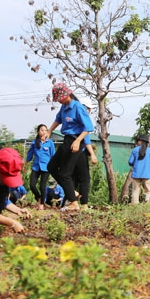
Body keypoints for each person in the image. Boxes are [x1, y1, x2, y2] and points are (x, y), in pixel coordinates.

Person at [47, 83, 94, 212]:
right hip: (67, 140)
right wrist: (50, 130)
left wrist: (78, 141)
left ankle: (73, 202)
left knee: (65, 173)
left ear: (66, 95)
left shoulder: (78, 107)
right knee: (51, 166)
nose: (59, 101)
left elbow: (88, 127)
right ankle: (72, 193)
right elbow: (58, 119)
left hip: (75, 140)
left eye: (59, 98)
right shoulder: (64, 107)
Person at [72, 97, 98, 210]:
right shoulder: (83, 121)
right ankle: (84, 204)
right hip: (80, 153)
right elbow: (86, 141)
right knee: (84, 179)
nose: (89, 111)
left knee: (72, 178)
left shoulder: (73, 118)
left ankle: (71, 202)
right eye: (88, 108)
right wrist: (92, 154)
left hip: (70, 152)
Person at [26, 124, 56, 211]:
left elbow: (53, 155)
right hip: (36, 167)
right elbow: (30, 154)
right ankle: (39, 197)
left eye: (45, 130)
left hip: (46, 167)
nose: (43, 132)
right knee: (32, 185)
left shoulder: (50, 143)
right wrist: (25, 163)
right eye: (42, 130)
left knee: (42, 186)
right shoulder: (34, 143)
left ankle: (42, 204)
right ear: (38, 132)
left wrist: (55, 166)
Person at [128, 134, 150, 204]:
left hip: (136, 173)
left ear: (140, 141)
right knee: (148, 190)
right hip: (147, 173)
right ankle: (147, 202)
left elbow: (130, 161)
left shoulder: (134, 150)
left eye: (138, 140)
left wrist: (135, 165)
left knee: (135, 189)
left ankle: (135, 203)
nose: (137, 142)